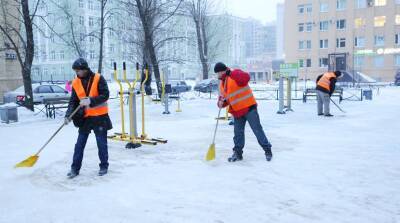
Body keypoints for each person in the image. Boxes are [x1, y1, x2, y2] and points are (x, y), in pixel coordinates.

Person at [214, 62, 273, 162]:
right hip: (237, 111)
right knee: (238, 134)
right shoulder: (222, 84)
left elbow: (246, 78)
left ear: (222, 71)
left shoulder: (235, 73)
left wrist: (230, 73)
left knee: (257, 130)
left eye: (218, 73)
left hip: (249, 108)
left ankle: (267, 150)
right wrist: (220, 103)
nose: (217, 75)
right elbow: (224, 99)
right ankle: (237, 153)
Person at [64, 58, 112, 178]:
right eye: (75, 71)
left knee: (101, 144)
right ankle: (75, 169)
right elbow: (73, 102)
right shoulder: (75, 82)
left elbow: (105, 95)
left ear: (84, 69)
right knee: (79, 144)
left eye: (78, 71)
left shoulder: (98, 78)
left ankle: (104, 166)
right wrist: (68, 115)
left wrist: (91, 100)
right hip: (84, 118)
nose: (77, 73)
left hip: (99, 117)